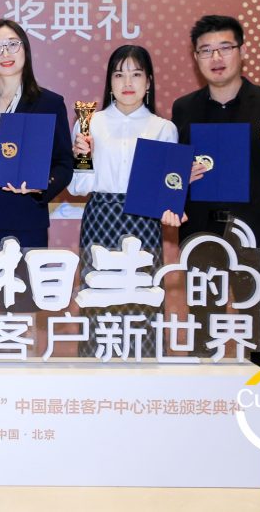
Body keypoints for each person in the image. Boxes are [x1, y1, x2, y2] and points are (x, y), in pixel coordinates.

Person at [172, 14, 260, 401]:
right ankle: (206, 415)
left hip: (257, 235)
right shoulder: (184, 109)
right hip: (203, 235)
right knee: (205, 328)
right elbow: (171, 172)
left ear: (241, 51)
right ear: (196, 58)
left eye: (224, 48)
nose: (216, 58)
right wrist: (180, 177)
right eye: (206, 51)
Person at [67, 44, 191, 357]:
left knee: (143, 301)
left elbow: (168, 191)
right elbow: (79, 187)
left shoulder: (163, 128)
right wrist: (82, 157)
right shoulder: (89, 123)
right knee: (98, 301)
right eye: (119, 74)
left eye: (136, 74)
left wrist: (173, 207)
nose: (127, 82)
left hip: (144, 222)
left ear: (149, 82)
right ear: (109, 81)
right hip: (100, 218)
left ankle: (144, 375)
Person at [0, 19, 74, 321]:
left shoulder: (49, 103)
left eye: (12, 44)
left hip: (25, 223)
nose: (5, 53)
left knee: (22, 318)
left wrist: (43, 185)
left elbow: (64, 163)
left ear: (25, 50)